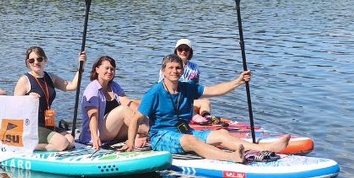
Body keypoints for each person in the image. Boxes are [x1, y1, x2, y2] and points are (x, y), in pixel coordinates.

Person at [136, 54, 290, 163]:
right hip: (161, 137)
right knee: (190, 139)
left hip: (185, 131)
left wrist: (238, 81)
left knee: (222, 134)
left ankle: (267, 147)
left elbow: (216, 90)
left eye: (178, 68)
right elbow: (136, 118)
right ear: (163, 71)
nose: (174, 71)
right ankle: (232, 157)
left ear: (182, 70)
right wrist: (131, 142)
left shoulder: (187, 87)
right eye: (170, 68)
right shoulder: (154, 92)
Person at [13, 46, 86, 151]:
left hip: (48, 122)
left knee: (70, 141)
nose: (36, 62)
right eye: (31, 60)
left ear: (45, 59)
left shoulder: (50, 77)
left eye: (39, 59)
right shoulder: (24, 80)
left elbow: (72, 86)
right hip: (32, 125)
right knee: (63, 143)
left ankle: (54, 145)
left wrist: (81, 67)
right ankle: (27, 145)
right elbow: (14, 105)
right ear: (28, 63)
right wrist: (27, 99)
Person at [77, 55, 146, 150]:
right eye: (107, 68)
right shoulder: (92, 89)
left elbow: (128, 102)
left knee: (140, 112)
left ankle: (144, 134)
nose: (109, 71)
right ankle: (153, 133)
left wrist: (143, 114)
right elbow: (93, 116)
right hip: (97, 133)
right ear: (97, 69)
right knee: (123, 110)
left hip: (113, 132)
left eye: (112, 69)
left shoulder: (114, 86)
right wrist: (95, 137)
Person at [164, 38, 212, 116]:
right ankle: (195, 116)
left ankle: (207, 117)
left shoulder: (194, 67)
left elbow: (195, 87)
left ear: (190, 52)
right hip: (172, 99)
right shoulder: (167, 66)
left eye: (186, 49)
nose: (183, 52)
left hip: (189, 99)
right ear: (176, 51)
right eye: (180, 49)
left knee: (206, 102)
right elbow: (162, 86)